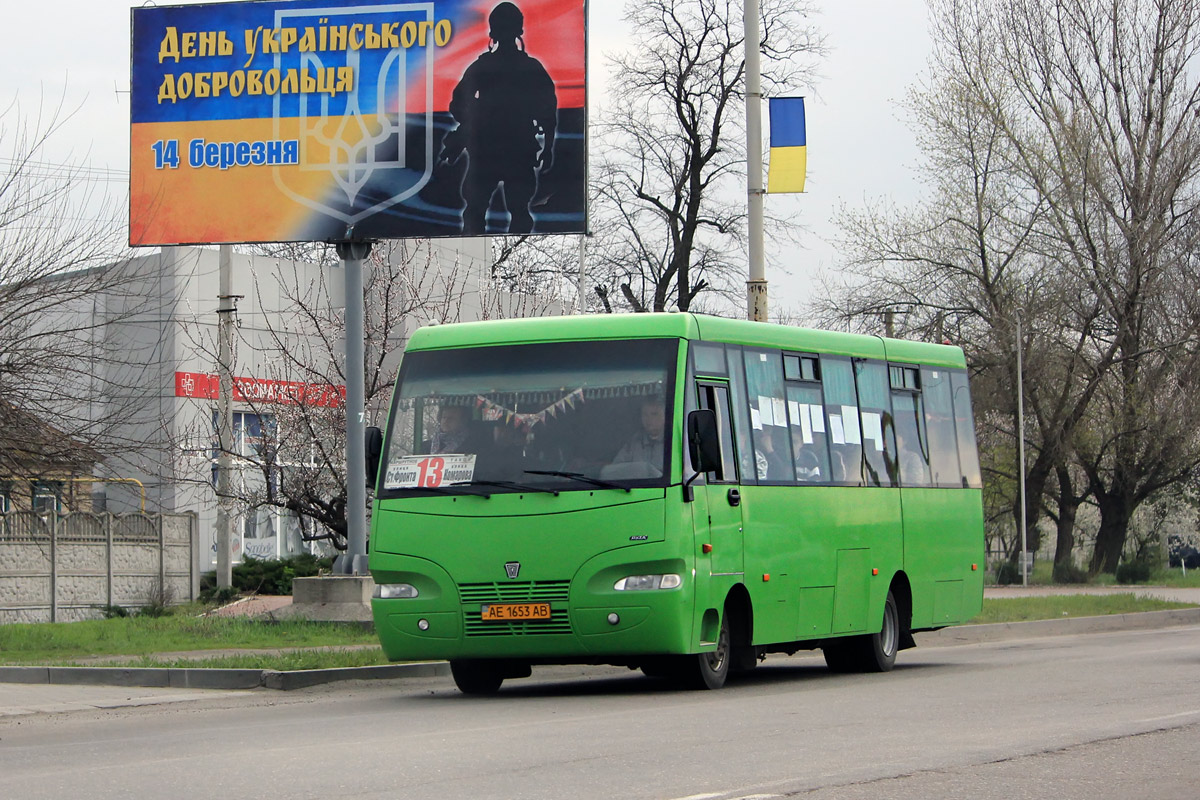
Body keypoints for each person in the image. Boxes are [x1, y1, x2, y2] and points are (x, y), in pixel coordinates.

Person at [439, 2, 557, 235]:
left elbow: (547, 111)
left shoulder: (486, 66)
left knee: (492, 211)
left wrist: (473, 122)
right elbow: (548, 112)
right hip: (501, 150)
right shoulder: (527, 67)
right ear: (518, 30)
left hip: (498, 150)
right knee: (490, 210)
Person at [610, 397, 666, 473]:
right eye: (645, 414)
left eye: (654, 414)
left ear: (664, 416)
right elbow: (615, 470)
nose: (648, 419)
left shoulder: (674, 441)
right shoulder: (633, 443)